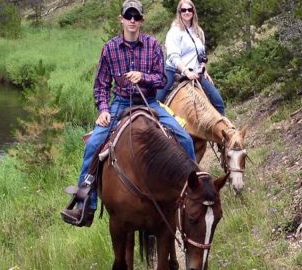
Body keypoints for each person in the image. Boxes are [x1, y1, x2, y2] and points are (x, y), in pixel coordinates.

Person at [60, 0, 196, 227]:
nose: (132, 20)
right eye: (128, 16)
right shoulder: (110, 49)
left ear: (142, 20)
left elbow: (162, 79)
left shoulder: (153, 45)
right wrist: (103, 109)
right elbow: (101, 85)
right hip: (120, 103)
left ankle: (194, 195)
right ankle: (85, 206)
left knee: (185, 139)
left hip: (150, 102)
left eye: (136, 16)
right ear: (121, 19)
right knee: (93, 145)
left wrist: (143, 77)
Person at [156, 0, 225, 116]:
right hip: (174, 71)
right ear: (179, 12)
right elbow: (173, 56)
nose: (187, 12)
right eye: (184, 10)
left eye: (189, 9)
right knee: (157, 101)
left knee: (218, 101)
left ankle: (226, 132)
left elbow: (201, 54)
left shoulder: (199, 31)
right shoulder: (174, 32)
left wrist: (203, 69)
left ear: (193, 11)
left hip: (196, 72)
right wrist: (185, 71)